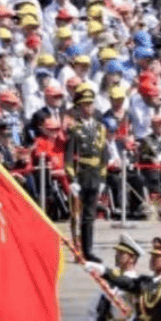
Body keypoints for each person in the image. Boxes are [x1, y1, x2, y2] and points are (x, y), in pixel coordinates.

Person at [64, 88, 108, 261]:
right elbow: (68, 157)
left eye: (90, 104)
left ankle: (88, 251)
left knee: (89, 215)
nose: (88, 107)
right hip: (81, 173)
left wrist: (102, 178)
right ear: (78, 107)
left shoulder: (100, 128)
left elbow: (104, 155)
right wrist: (72, 179)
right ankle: (78, 250)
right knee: (76, 215)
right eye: (84, 104)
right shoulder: (75, 129)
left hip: (94, 174)